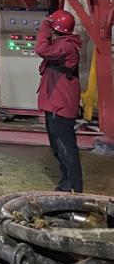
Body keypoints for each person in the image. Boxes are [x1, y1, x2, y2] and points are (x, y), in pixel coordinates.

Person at [35, 10, 83, 193]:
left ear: (55, 28)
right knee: (58, 148)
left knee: (65, 148)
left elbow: (41, 49)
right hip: (56, 105)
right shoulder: (62, 44)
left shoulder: (66, 46)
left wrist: (45, 25)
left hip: (60, 107)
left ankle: (74, 187)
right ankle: (67, 183)